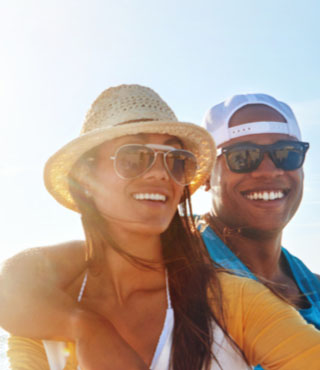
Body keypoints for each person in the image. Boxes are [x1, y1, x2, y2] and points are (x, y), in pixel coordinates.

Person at [1, 85, 320, 370]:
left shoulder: (233, 297)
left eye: (175, 159)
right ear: (86, 181)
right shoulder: (46, 315)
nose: (159, 173)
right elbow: (16, 278)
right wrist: (88, 330)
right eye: (133, 157)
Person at [200, 93, 320, 369]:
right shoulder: (174, 280)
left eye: (287, 155)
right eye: (242, 157)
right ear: (206, 174)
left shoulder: (315, 289)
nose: (268, 171)